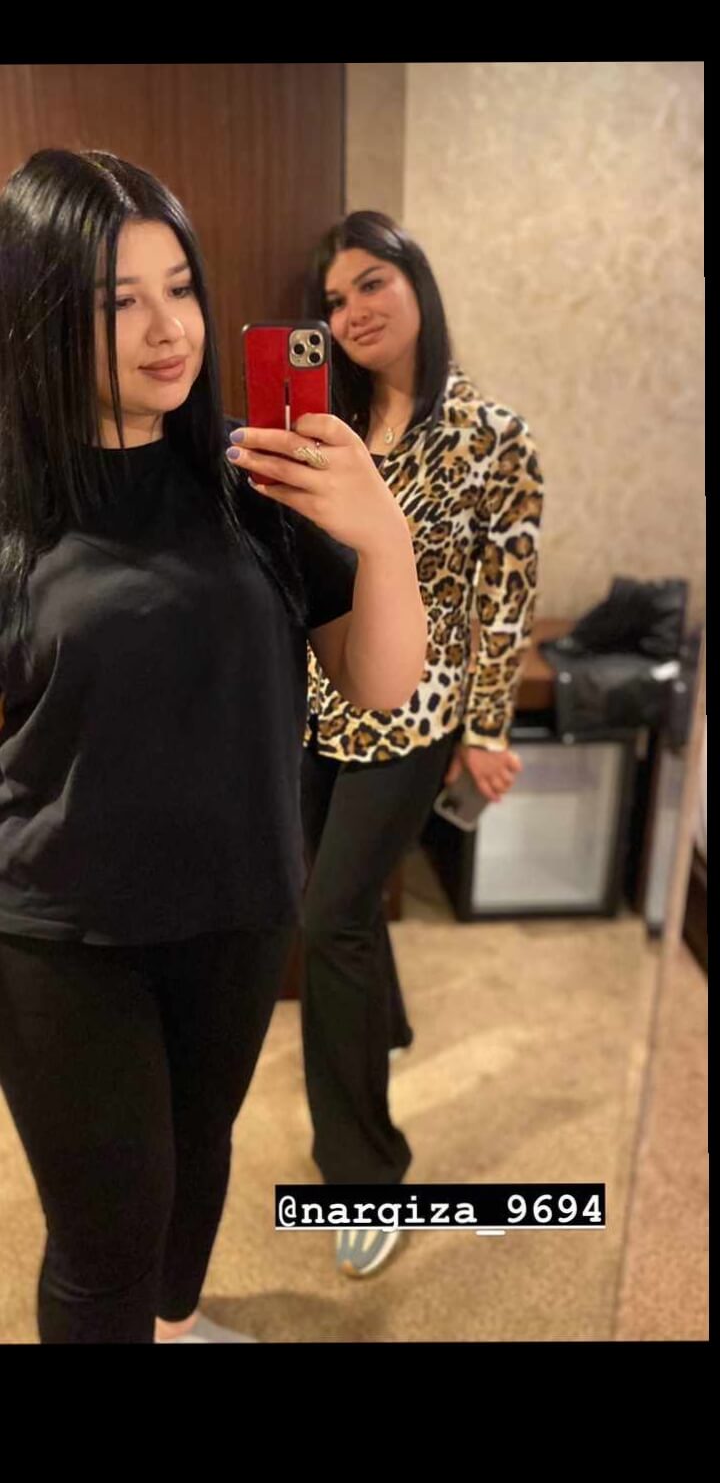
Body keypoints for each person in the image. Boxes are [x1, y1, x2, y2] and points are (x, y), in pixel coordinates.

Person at [0, 153, 427, 1345]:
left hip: (239, 908)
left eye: (179, 288)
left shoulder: (257, 476)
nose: (167, 330)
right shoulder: (14, 507)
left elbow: (380, 684)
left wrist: (383, 538)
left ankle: (179, 1330)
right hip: (64, 935)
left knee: (197, 1166)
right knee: (104, 1243)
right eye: (116, 302)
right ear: (38, 316)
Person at [300, 210, 544, 1278]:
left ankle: (364, 1175)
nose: (351, 311)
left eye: (371, 283)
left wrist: (485, 729)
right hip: (315, 704)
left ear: (417, 285)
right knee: (332, 909)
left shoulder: (494, 435)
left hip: (416, 713)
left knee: (330, 922)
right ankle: (381, 1026)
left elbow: (503, 599)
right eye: (334, 298)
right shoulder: (328, 426)